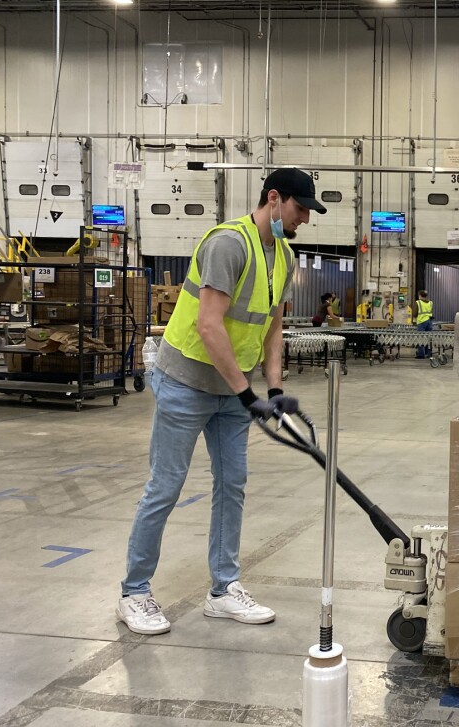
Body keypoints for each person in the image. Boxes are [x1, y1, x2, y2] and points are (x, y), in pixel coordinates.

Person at [116, 168, 326, 635]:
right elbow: (209, 325)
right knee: (166, 485)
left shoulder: (284, 255)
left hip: (234, 390)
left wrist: (274, 389)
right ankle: (134, 592)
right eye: (300, 209)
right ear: (274, 199)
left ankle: (223, 589)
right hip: (186, 381)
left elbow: (272, 327)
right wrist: (247, 393)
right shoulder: (229, 244)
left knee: (232, 484)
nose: (304, 220)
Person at [413, 289, 434, 359]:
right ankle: (428, 353)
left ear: (420, 295)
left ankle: (421, 354)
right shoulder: (430, 303)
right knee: (429, 338)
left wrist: (414, 319)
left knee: (421, 337)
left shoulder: (418, 302)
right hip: (429, 321)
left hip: (421, 322)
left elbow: (415, 314)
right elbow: (432, 312)